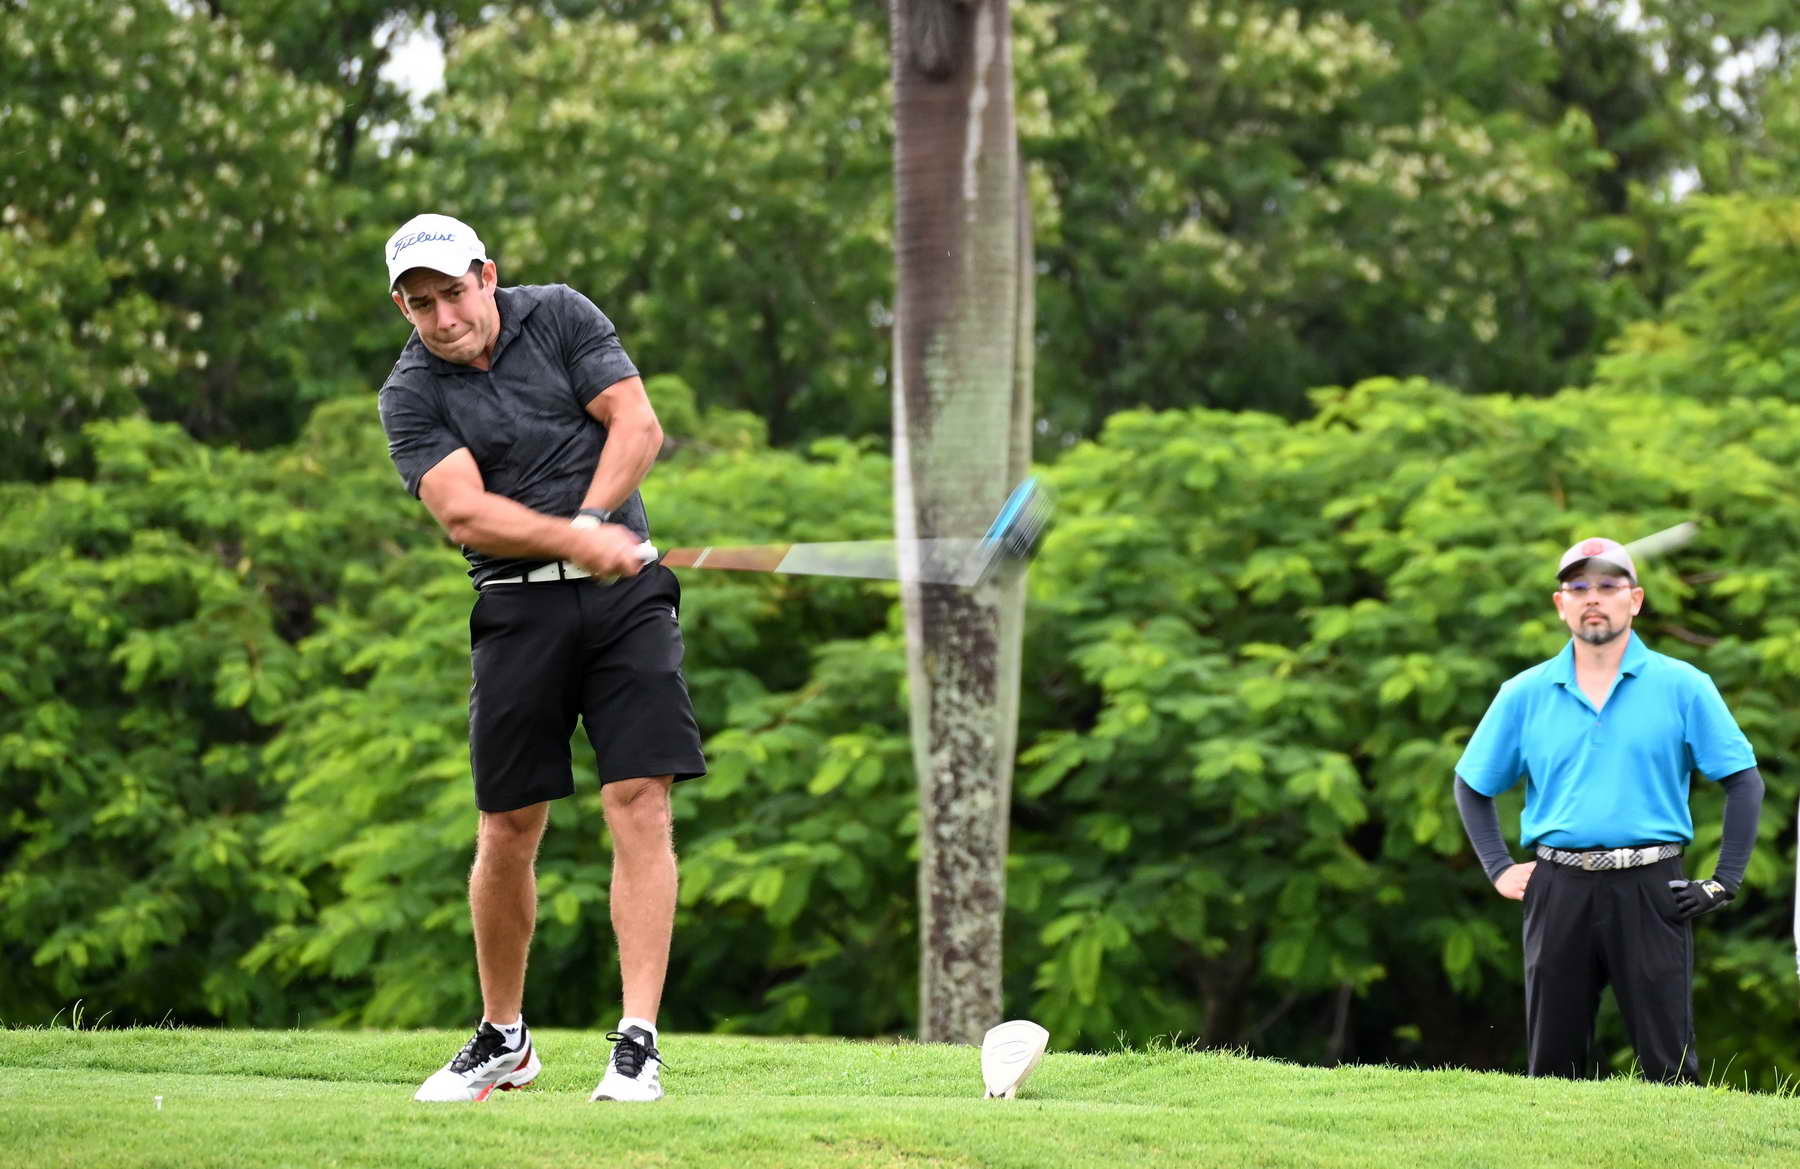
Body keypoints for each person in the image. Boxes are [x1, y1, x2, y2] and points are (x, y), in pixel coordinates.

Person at [375, 213, 706, 1103]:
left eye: (453, 293)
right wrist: (568, 539)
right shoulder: (410, 392)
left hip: (626, 597)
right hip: (517, 608)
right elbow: (464, 512)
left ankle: (637, 1040)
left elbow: (636, 425)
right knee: (508, 824)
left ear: (487, 275)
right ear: (404, 309)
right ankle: (504, 1036)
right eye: (421, 304)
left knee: (639, 798)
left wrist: (594, 523)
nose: (443, 318)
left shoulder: (558, 314)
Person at [1453, 536, 1763, 1083]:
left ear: (1634, 600)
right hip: (1557, 888)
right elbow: (1472, 784)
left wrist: (1723, 882)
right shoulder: (1524, 692)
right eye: (1578, 587)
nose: (1592, 597)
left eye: (1607, 585)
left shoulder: (1684, 686)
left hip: (1653, 888)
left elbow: (1744, 782)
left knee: (1670, 1067)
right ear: (1561, 604)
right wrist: (1498, 868)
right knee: (1554, 1067)